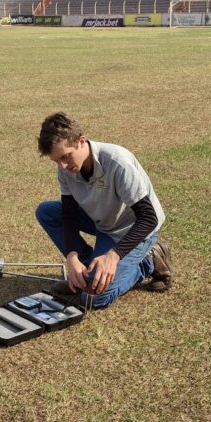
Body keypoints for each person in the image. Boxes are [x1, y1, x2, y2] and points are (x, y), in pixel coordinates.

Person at [35, 112, 173, 309]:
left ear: (81, 141)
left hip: (134, 229)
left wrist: (114, 255)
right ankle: (86, 274)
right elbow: (69, 214)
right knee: (46, 212)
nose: (63, 166)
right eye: (56, 161)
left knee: (93, 299)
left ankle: (148, 261)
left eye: (66, 156)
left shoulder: (117, 162)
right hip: (102, 221)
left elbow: (148, 218)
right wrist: (72, 256)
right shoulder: (66, 168)